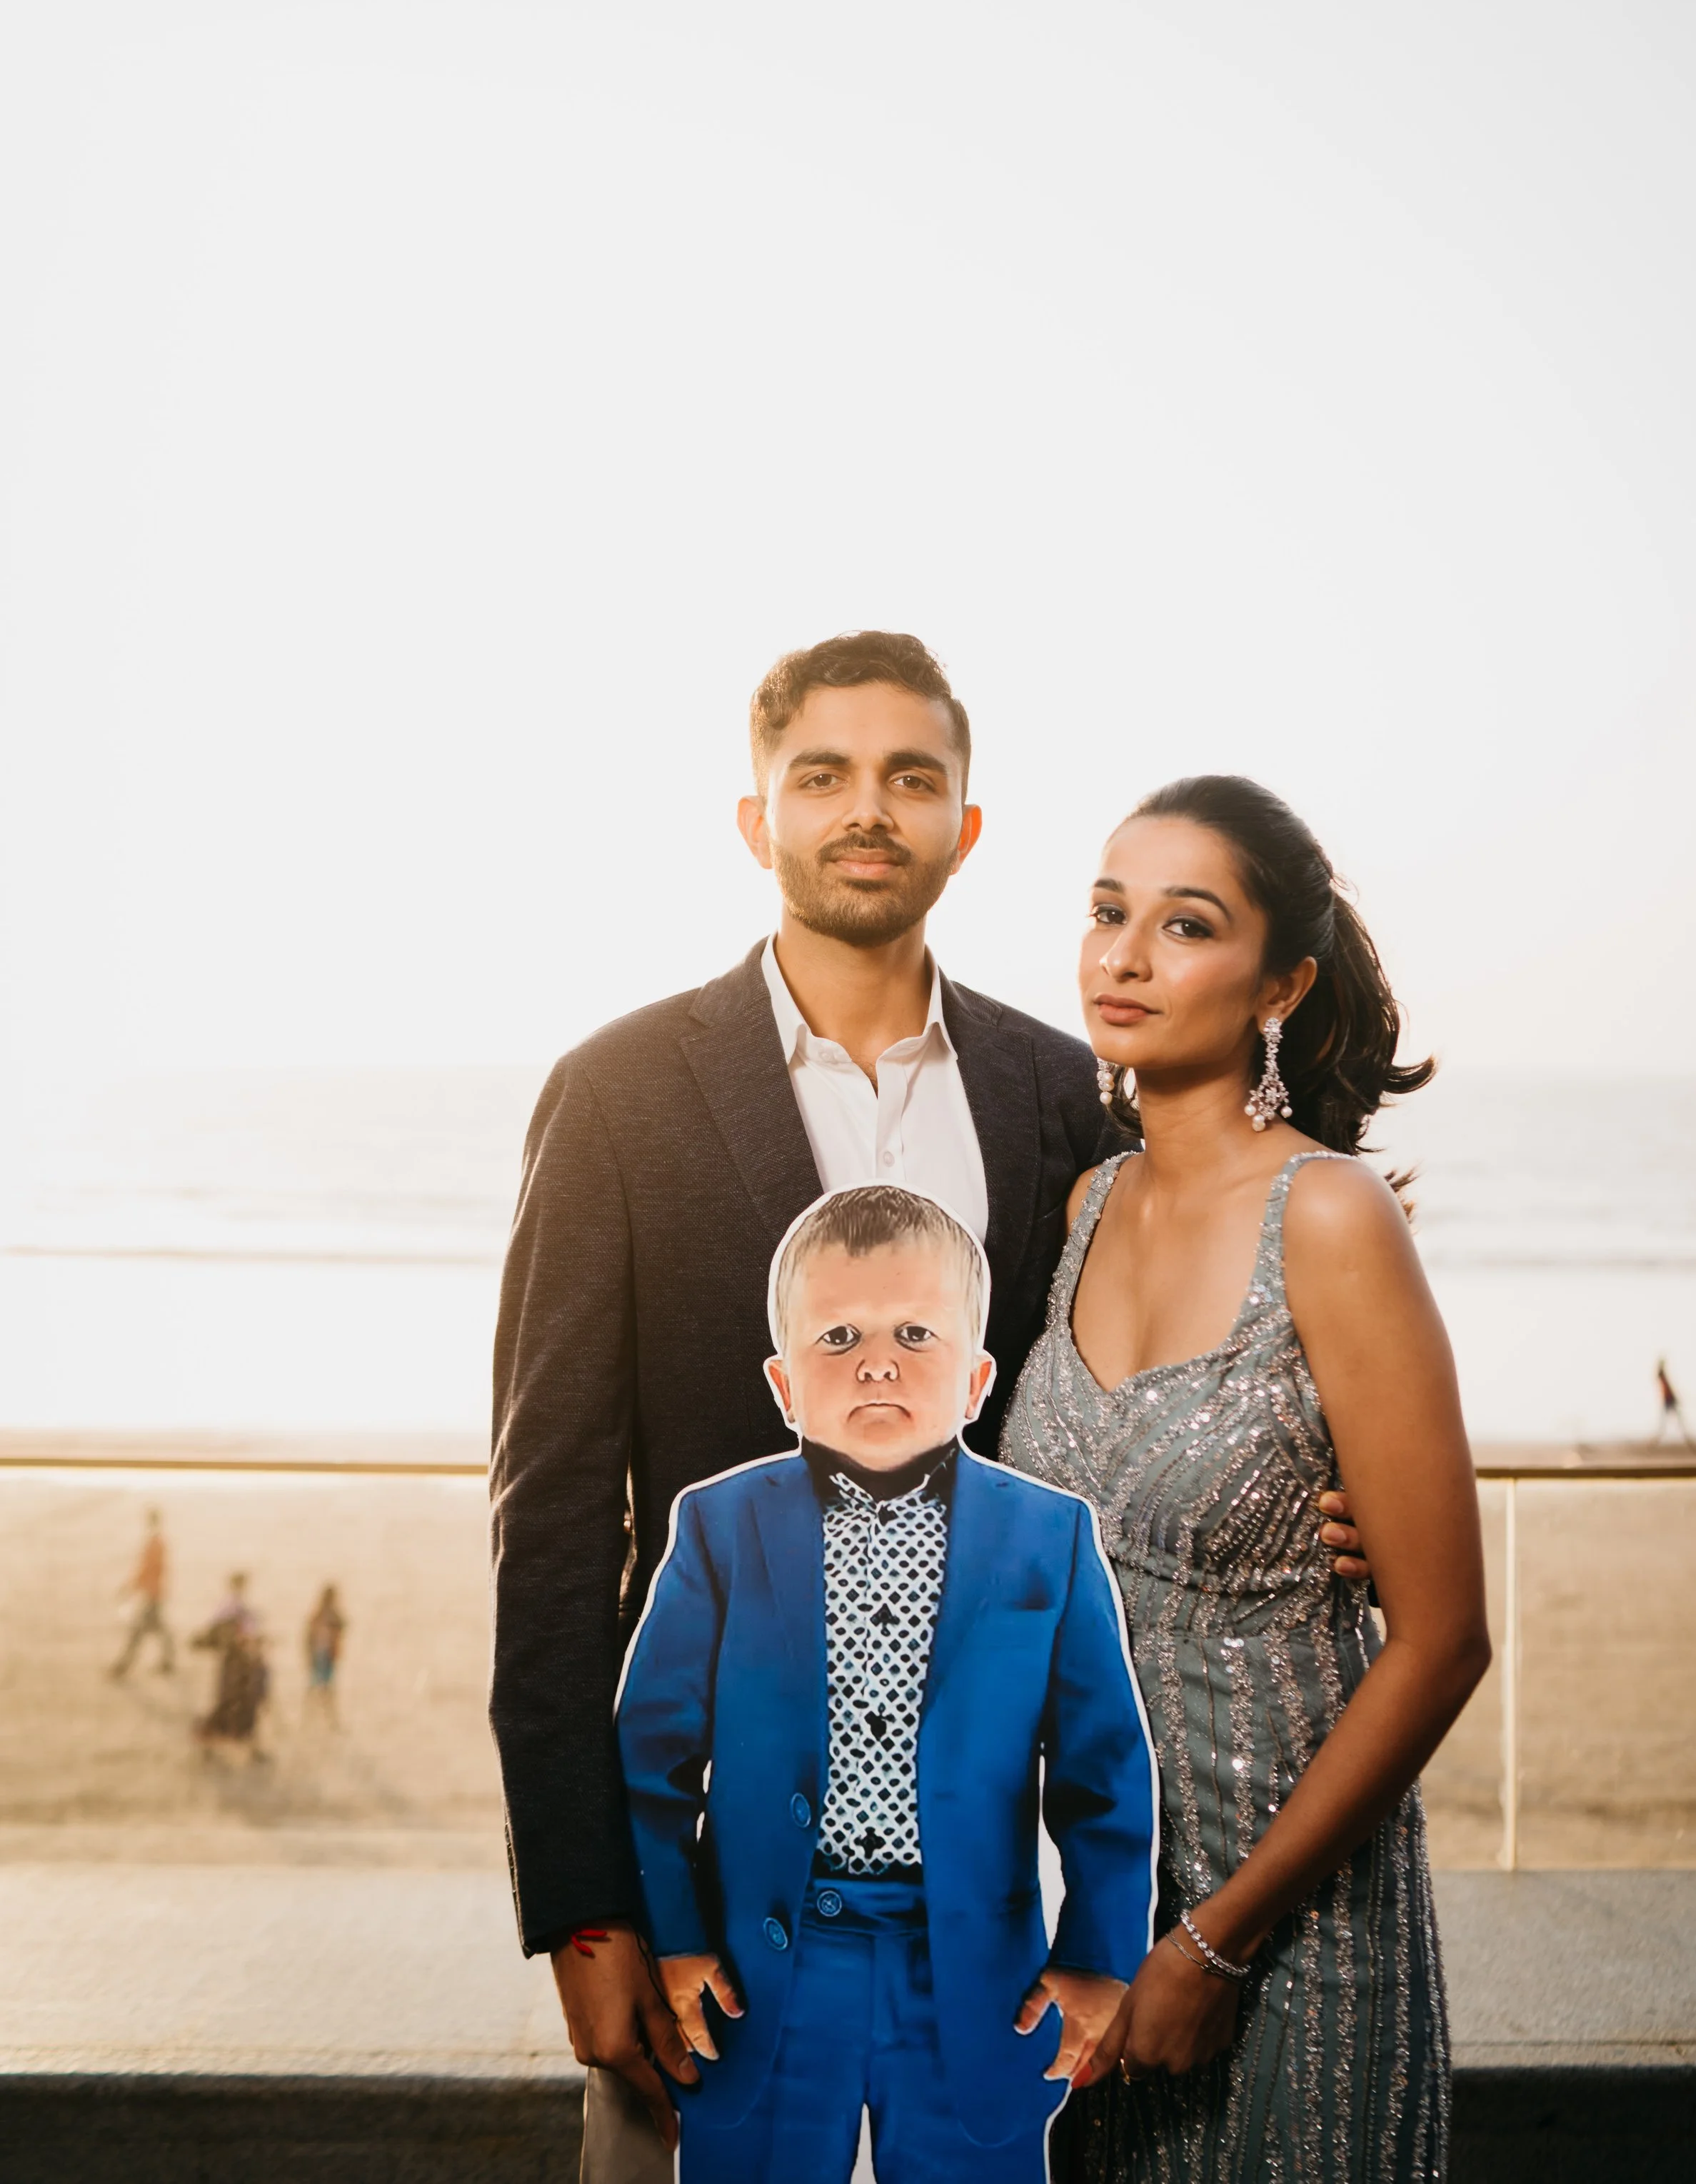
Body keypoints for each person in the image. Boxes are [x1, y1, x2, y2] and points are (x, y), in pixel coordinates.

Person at [488, 635, 1370, 2137]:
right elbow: (553, 1522)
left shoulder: (1055, 1098)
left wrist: (1313, 1497)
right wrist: (583, 1913)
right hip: (704, 1907)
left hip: (990, 1920)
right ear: (754, 818)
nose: (865, 810)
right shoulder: (615, 1096)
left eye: (911, 778)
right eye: (819, 774)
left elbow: (1150, 1368)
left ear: (965, 830)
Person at [1000, 776, 1490, 2182]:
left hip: (1285, 1924)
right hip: (1084, 1912)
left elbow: (1442, 1639)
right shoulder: (1089, 1206)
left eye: (1183, 925)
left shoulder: (1326, 1216)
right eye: (1105, 914)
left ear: (1279, 979)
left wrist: (1217, 1944)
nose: (1123, 956)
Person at [616, 1186, 1157, 2183]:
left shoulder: (1050, 1539)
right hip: (762, 1973)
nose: (876, 1360)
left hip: (970, 1972)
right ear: (783, 1384)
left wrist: (1099, 1954)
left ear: (977, 1378)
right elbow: (649, 1762)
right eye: (838, 1335)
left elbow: (1106, 1773)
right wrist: (674, 1938)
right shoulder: (718, 1529)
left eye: (916, 1331)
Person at [191, 1571, 271, 1758]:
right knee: (234, 1705)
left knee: (242, 1706)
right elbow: (232, 1635)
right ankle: (213, 1744)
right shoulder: (231, 1607)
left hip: (239, 1664)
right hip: (235, 1665)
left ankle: (248, 1748)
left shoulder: (235, 1606)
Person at [109, 1507, 175, 1680]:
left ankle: (122, 1666)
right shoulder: (159, 1542)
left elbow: (146, 1570)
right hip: (155, 1593)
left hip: (152, 1593)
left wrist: (129, 1587)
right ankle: (168, 1662)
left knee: (138, 1632)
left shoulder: (154, 1544)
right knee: (159, 1628)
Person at [304, 1584, 347, 1720]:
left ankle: (316, 1715)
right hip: (325, 1653)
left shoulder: (320, 1614)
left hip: (322, 1653)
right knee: (325, 1685)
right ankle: (328, 1716)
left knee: (318, 1684)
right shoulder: (328, 1615)